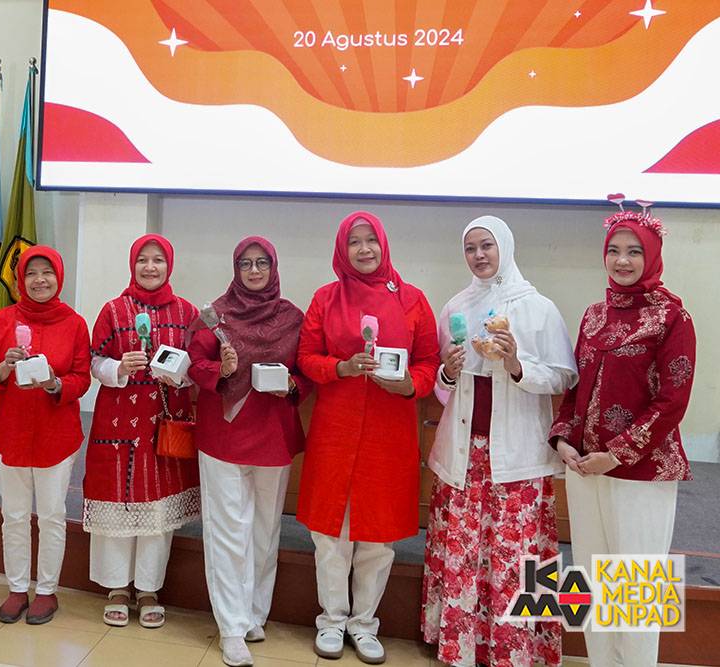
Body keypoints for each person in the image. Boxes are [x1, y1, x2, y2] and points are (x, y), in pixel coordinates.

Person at [421, 216, 577, 667]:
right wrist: (448, 371)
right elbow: (443, 389)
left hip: (519, 456)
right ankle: (461, 645)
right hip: (464, 452)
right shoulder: (456, 306)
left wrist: (516, 364)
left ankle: (518, 650)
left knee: (518, 554)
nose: (479, 255)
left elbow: (564, 377)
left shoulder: (537, 308)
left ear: (504, 247)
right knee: (464, 550)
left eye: (486, 245)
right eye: (470, 248)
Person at [550, 206, 695, 667]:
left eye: (634, 251)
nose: (622, 260)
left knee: (634, 589)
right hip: (585, 469)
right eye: (613, 250)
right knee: (592, 583)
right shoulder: (594, 315)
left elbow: (672, 400)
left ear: (651, 256)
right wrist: (563, 439)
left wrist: (615, 454)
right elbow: (575, 389)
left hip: (641, 472)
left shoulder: (672, 317)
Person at [297, 211, 439, 664]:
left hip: (388, 436)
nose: (364, 249)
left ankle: (364, 625)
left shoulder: (413, 300)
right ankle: (331, 620)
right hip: (335, 432)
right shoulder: (326, 298)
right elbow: (306, 357)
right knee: (331, 535)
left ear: (383, 244)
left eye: (370, 240)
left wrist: (410, 385)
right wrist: (340, 367)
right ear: (342, 249)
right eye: (354, 242)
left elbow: (429, 362)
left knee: (378, 538)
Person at [187, 236, 311, 667]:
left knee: (264, 530)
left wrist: (291, 384)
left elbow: (306, 371)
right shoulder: (214, 314)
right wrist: (220, 369)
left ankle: (255, 614)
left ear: (273, 268)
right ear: (235, 269)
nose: (254, 271)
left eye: (262, 263)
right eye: (245, 263)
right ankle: (231, 627)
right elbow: (194, 363)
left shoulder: (292, 317)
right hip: (224, 436)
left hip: (273, 434)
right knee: (228, 531)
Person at [84, 234, 200, 628]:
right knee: (117, 501)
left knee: (158, 508)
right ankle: (117, 588)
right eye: (143, 260)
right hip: (118, 422)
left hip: (165, 423)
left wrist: (178, 374)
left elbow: (198, 366)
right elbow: (93, 361)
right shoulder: (113, 310)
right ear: (132, 265)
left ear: (170, 266)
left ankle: (149, 589)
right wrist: (118, 367)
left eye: (158, 260)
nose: (150, 267)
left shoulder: (186, 312)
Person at [0, 246, 91, 625]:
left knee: (53, 515)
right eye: (31, 273)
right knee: (13, 515)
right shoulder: (1, 320)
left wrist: (55, 383)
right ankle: (16, 588)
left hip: (56, 435)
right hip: (9, 433)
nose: (40, 280)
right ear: (20, 280)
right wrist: (4, 368)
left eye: (47, 272)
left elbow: (82, 377)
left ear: (59, 277)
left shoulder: (74, 323)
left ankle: (46, 591)